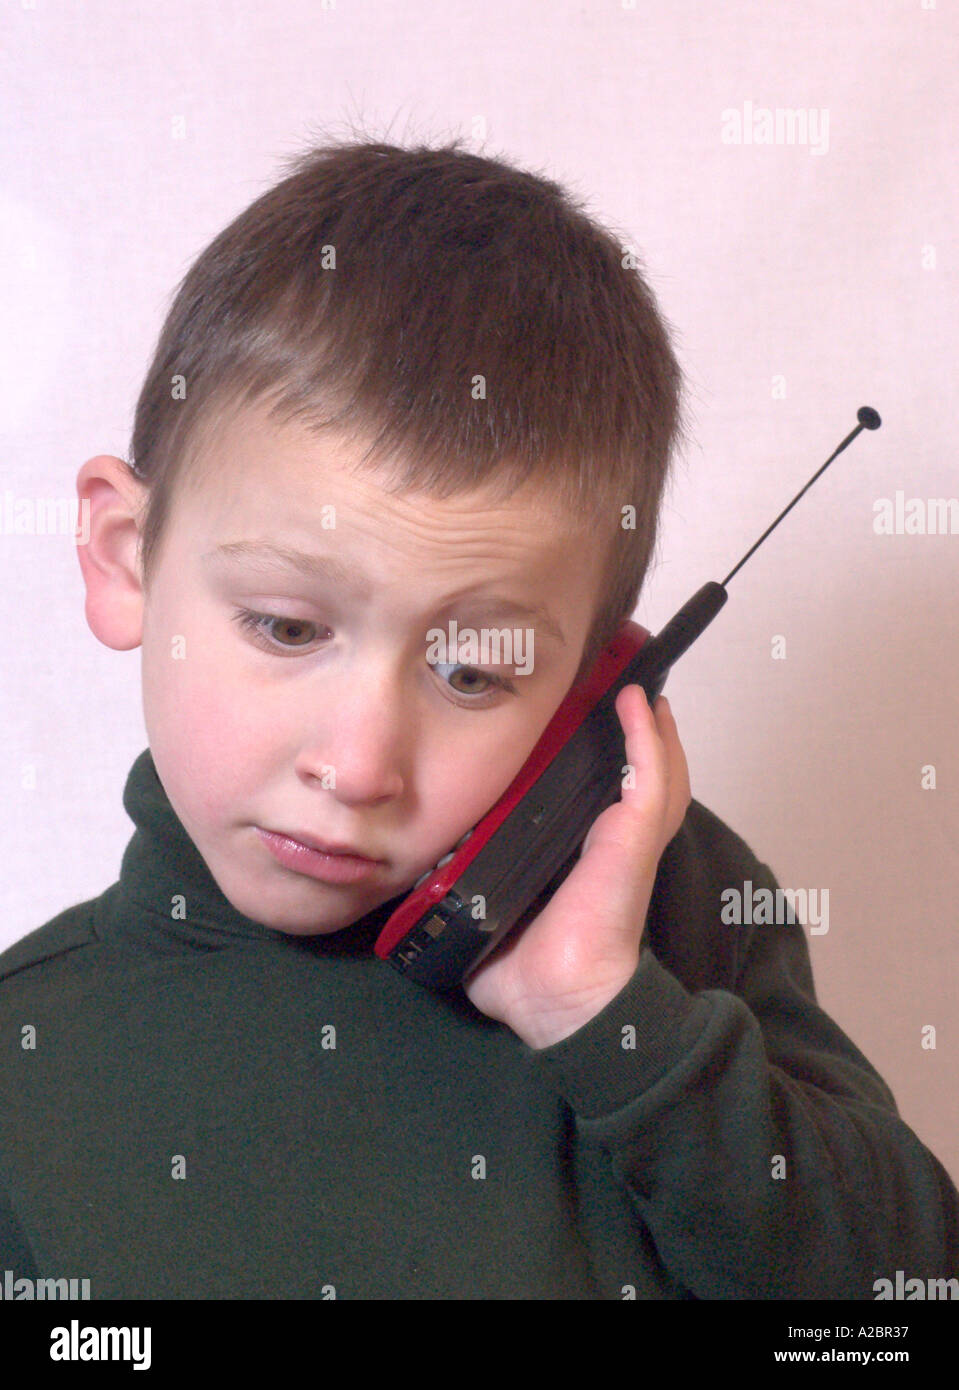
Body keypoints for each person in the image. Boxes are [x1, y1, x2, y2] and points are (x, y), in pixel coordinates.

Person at [1, 137, 956, 1300]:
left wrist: (601, 1013)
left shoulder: (672, 929)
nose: (357, 766)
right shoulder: (28, 1056)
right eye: (287, 629)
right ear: (122, 561)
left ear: (595, 690)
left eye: (470, 673)